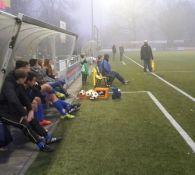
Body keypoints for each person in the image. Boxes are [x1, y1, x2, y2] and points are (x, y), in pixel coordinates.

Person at [0, 69, 62, 152]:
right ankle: (41, 145)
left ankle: (48, 137)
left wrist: (30, 110)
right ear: (22, 78)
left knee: (32, 119)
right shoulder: (9, 86)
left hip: (11, 109)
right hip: (3, 113)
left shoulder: (17, 83)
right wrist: (24, 114)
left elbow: (23, 98)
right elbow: (13, 100)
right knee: (24, 125)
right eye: (25, 78)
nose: (26, 80)